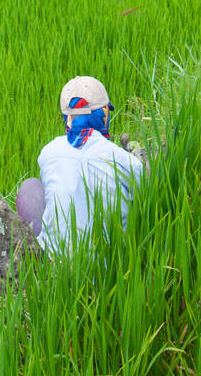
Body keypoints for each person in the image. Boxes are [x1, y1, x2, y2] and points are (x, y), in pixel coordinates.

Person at [36, 75, 144, 253]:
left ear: (67, 116)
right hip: (111, 267)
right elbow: (142, 203)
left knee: (32, 189)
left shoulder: (49, 153)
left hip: (55, 264)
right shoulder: (128, 163)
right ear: (104, 113)